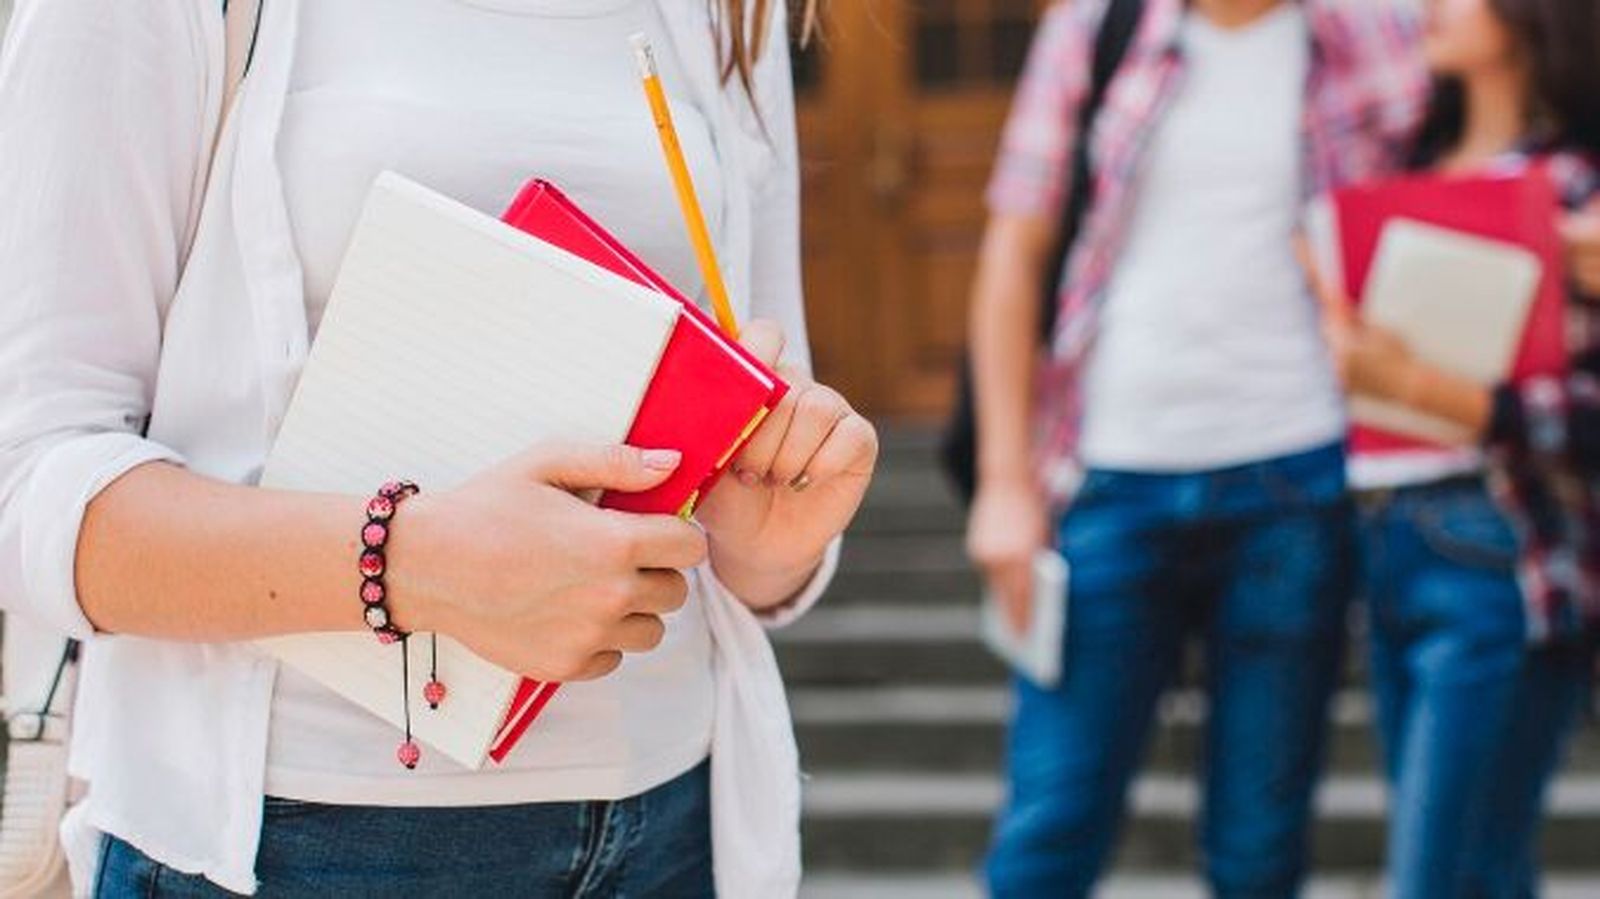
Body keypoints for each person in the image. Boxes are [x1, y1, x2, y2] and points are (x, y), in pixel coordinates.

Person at [0, 1, 878, 896]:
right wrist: (411, 559)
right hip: (300, 842)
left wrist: (769, 539)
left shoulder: (730, 14)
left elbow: (755, 450)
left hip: (675, 823)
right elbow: (28, 483)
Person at [965, 0, 1428, 894]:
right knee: (1050, 825)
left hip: (1297, 480)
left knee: (1258, 847)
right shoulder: (1096, 28)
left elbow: (1491, 139)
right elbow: (1013, 248)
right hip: (1107, 480)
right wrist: (1002, 481)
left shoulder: (1379, 35)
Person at [1307, 0, 1600, 890]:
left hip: (1505, 544)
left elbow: (1583, 412)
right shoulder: (1405, 169)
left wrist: (1425, 391)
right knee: (1486, 870)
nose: (1427, 6)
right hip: (1390, 529)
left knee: (1438, 877)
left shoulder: (1579, 189)